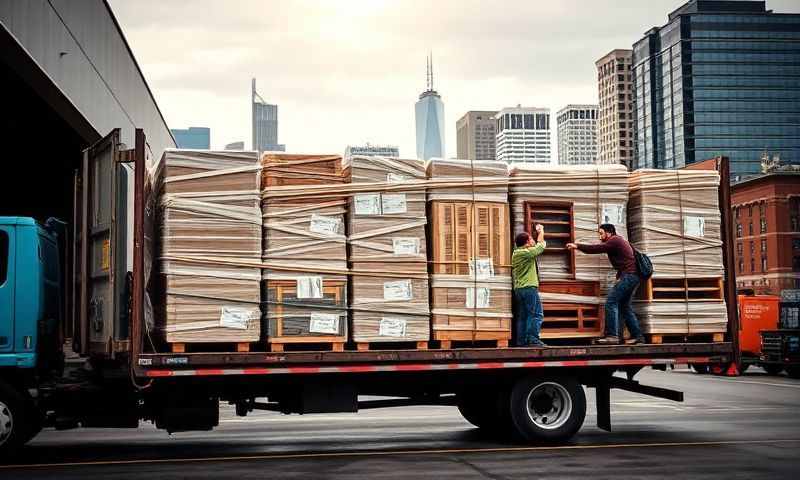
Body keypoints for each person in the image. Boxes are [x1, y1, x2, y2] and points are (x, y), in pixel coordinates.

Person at [566, 223, 645, 345]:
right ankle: (637, 336)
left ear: (609, 233)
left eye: (601, 233)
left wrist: (577, 245)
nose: (600, 236)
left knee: (611, 302)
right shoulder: (620, 241)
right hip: (632, 276)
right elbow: (626, 261)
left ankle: (612, 336)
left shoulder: (614, 240)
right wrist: (620, 276)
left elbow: (595, 249)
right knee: (624, 306)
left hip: (629, 276)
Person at [511, 225, 547, 347]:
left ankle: (521, 341)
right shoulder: (525, 253)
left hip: (519, 289)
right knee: (536, 314)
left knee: (523, 316)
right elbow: (541, 246)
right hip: (528, 288)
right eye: (531, 239)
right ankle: (533, 339)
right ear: (527, 242)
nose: (533, 241)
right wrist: (541, 231)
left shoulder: (517, 253)